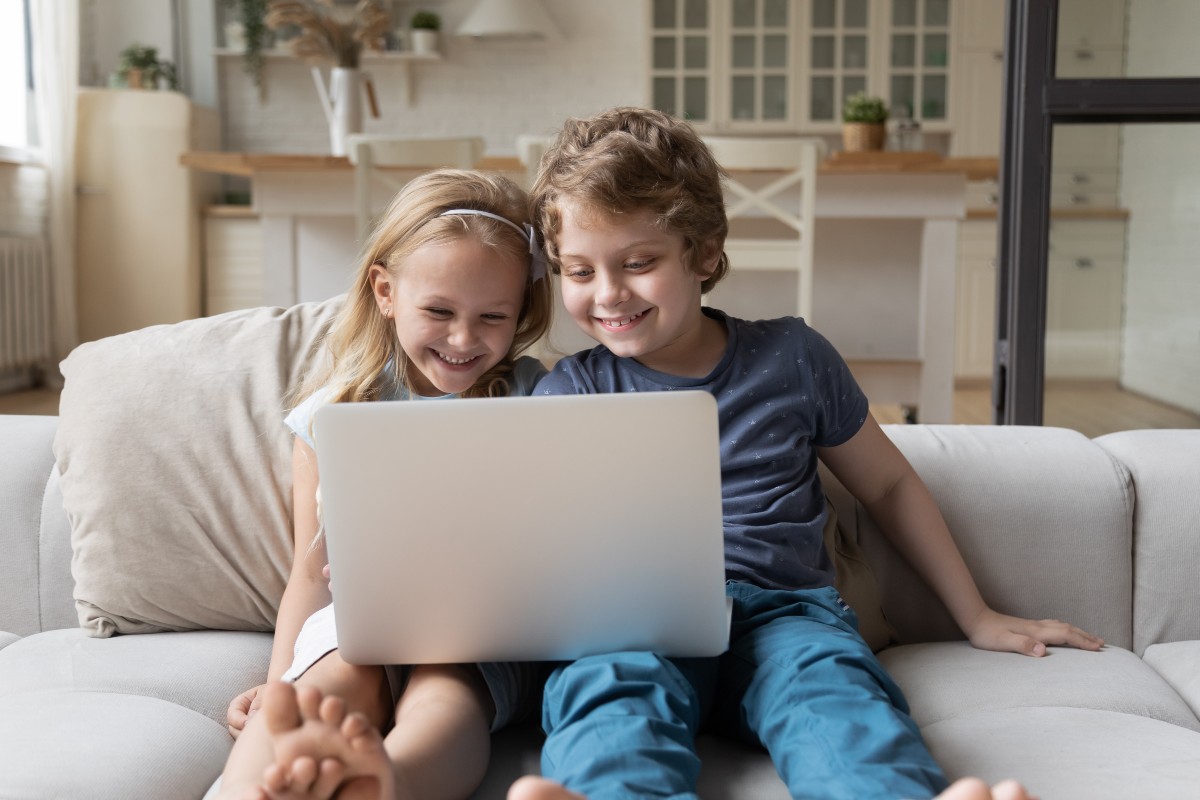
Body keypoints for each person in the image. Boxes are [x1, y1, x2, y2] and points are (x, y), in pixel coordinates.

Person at [509, 107, 1104, 800]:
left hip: (784, 614)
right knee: (609, 689)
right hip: (640, 619)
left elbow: (887, 487)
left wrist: (976, 614)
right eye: (579, 271)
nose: (608, 293)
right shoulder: (571, 388)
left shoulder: (792, 356)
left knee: (833, 702)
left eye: (638, 263)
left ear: (704, 252)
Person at [214, 168, 554, 800]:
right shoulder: (334, 412)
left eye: (492, 316)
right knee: (312, 697)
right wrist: (280, 678)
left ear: (521, 312)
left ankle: (383, 785)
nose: (462, 338)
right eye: (439, 311)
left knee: (444, 700)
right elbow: (310, 572)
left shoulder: (539, 395)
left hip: (478, 625)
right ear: (386, 291)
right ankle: (248, 791)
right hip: (360, 617)